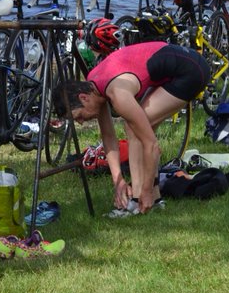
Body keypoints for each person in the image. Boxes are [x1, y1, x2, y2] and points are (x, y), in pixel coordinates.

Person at [54, 42, 210, 217]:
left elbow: (151, 144)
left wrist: (146, 190)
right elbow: (108, 137)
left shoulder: (116, 93)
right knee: (139, 125)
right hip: (177, 65)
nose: (82, 122)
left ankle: (136, 201)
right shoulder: (95, 86)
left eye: (79, 116)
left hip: (191, 70)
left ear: (83, 98)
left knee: (134, 128)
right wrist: (118, 181)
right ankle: (155, 199)